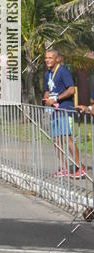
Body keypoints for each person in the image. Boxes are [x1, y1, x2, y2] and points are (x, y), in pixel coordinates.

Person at [42, 48, 84, 178]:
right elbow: (47, 90)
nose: (47, 60)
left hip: (65, 109)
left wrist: (56, 99)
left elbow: (71, 90)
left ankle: (79, 167)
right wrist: (46, 100)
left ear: (57, 59)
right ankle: (64, 168)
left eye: (50, 58)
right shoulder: (47, 73)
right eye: (46, 58)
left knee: (67, 138)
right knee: (56, 141)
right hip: (54, 111)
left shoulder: (63, 71)